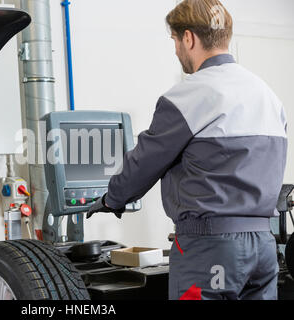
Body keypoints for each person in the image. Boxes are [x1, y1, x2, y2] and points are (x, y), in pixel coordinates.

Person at [87, 0, 287, 300]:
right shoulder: (266, 94)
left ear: (189, 38)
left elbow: (145, 162)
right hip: (263, 247)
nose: (177, 51)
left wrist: (112, 199)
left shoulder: (190, 95)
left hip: (209, 246)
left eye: (175, 41)